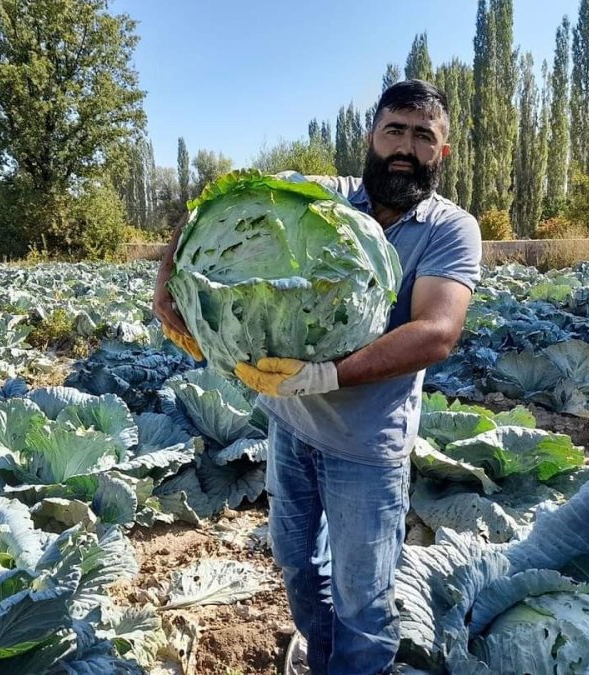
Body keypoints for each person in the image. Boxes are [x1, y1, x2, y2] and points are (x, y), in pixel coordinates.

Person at [153, 79, 482, 675]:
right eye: (394, 131)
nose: (405, 148)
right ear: (371, 137)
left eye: (423, 137)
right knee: (300, 565)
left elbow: (437, 331)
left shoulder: (449, 228)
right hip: (290, 426)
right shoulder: (323, 198)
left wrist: (328, 373)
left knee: (365, 598)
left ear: (442, 152)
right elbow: (212, 204)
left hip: (368, 447)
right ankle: (321, 653)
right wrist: (165, 286)